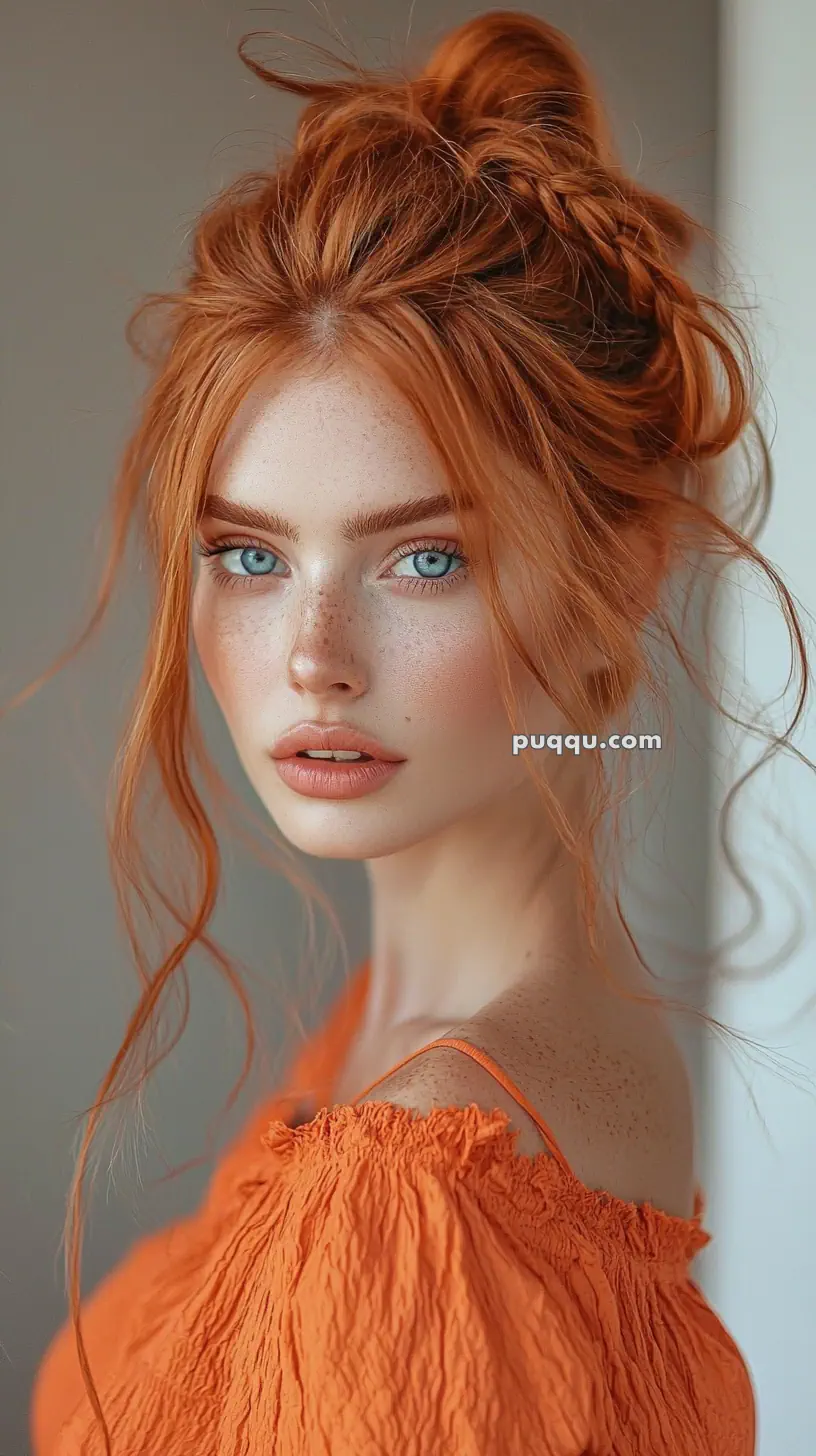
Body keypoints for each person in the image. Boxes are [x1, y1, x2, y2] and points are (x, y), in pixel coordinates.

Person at [21, 8, 805, 1453]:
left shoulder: (429, 1174)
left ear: (617, 576)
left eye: (421, 557)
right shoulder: (417, 1039)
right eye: (250, 556)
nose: (311, 659)